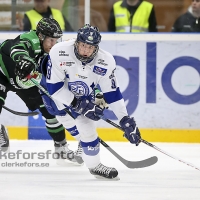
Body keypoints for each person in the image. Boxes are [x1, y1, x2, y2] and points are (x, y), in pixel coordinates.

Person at [21, 24, 141, 180]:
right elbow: (55, 88)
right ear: (77, 42)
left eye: (90, 47)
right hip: (54, 91)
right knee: (62, 116)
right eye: (83, 45)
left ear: (96, 48)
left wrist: (124, 119)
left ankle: (94, 166)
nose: (85, 50)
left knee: (88, 127)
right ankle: (81, 140)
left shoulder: (105, 61)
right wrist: (79, 105)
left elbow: (112, 93)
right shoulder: (60, 51)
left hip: (82, 92)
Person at [0, 18, 82, 165]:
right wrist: (23, 60)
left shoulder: (53, 50)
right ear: (40, 36)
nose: (54, 44)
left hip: (26, 79)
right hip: (3, 74)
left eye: (56, 40)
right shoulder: (30, 40)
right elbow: (16, 48)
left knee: (49, 110)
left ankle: (61, 148)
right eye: (51, 40)